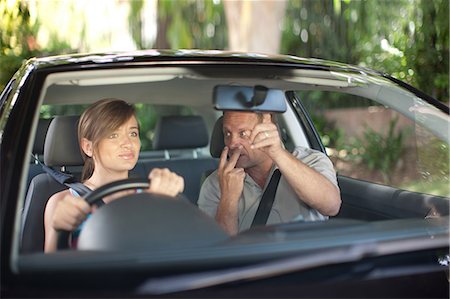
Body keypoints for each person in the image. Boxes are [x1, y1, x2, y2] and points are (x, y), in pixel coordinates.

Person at [44, 99, 184, 252]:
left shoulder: (155, 193)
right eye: (113, 135)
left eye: (133, 133)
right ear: (88, 147)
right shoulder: (63, 202)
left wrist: (166, 203)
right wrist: (59, 230)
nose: (128, 143)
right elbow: (49, 273)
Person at [197, 111, 341, 235]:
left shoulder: (310, 160)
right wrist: (228, 199)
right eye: (227, 133)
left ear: (267, 131)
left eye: (243, 133)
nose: (232, 143)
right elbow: (221, 252)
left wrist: (277, 153)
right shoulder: (215, 184)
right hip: (256, 266)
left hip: (307, 263)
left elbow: (332, 206)